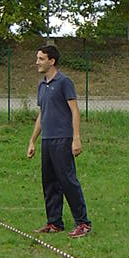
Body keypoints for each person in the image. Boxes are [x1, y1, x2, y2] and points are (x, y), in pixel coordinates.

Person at [27, 43, 91, 237]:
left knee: (67, 181)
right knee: (49, 182)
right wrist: (33, 140)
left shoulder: (64, 82)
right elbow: (42, 113)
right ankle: (54, 223)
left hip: (63, 139)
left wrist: (76, 138)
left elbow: (75, 111)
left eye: (41, 59)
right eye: (37, 58)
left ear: (52, 61)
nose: (37, 62)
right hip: (47, 140)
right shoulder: (41, 85)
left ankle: (83, 223)